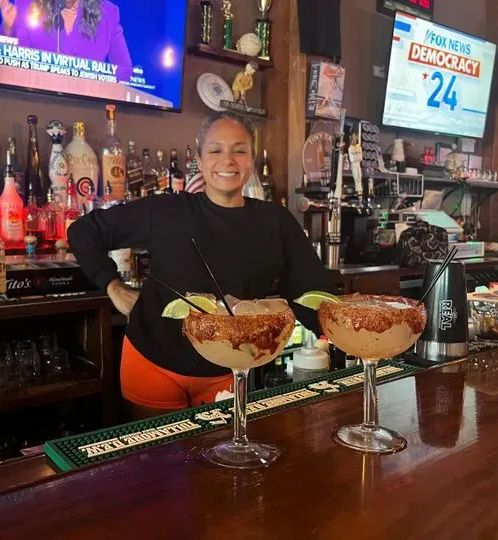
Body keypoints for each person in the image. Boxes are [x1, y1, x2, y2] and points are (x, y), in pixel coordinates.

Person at [68, 112, 337, 418]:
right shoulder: (166, 210)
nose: (228, 160)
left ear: (251, 160)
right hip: (152, 362)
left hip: (230, 368)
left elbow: (310, 293)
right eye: (215, 150)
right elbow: (83, 232)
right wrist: (113, 286)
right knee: (158, 450)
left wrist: (350, 334)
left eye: (239, 150)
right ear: (200, 159)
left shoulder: (276, 222)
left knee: (225, 448)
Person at [0, 0, 132, 80]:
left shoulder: (108, 14)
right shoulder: (28, 6)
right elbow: (9, 67)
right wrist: (8, 28)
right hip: (36, 104)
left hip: (89, 109)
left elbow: (124, 72)